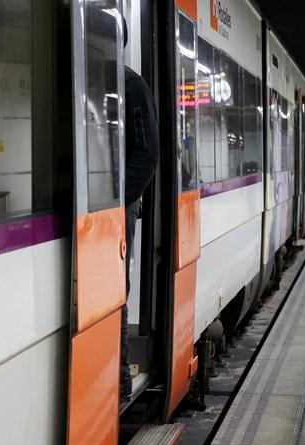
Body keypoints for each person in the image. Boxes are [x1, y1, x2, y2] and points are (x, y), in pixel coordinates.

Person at [120, 53, 160, 401]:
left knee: (115, 289)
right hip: (97, 207)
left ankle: (119, 380)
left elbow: (147, 156)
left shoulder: (131, 85)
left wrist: (117, 204)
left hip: (117, 207)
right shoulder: (89, 82)